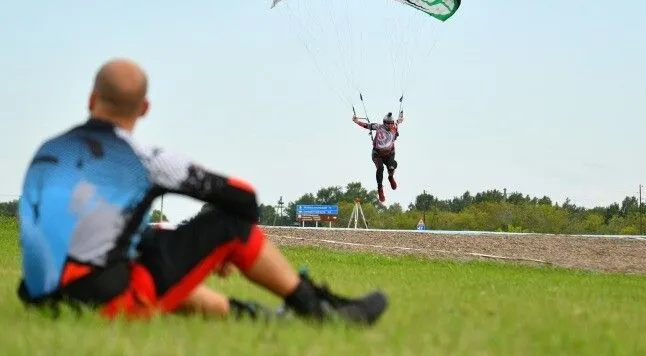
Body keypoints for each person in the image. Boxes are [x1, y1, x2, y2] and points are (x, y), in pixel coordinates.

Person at [16, 58, 388, 324]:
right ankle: (318, 310)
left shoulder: (47, 153)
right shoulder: (145, 158)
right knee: (229, 225)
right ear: (144, 108)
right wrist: (220, 252)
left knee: (149, 249)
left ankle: (257, 318)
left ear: (90, 98)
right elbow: (243, 199)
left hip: (41, 300)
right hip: (105, 303)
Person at [352, 111, 404, 203]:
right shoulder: (379, 127)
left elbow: (399, 120)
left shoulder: (394, 126)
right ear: (384, 123)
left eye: (391, 124)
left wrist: (401, 116)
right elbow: (367, 126)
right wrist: (357, 121)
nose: (389, 126)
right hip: (377, 154)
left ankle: (390, 177)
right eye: (387, 124)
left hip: (389, 153)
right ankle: (380, 188)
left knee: (392, 166)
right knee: (380, 169)